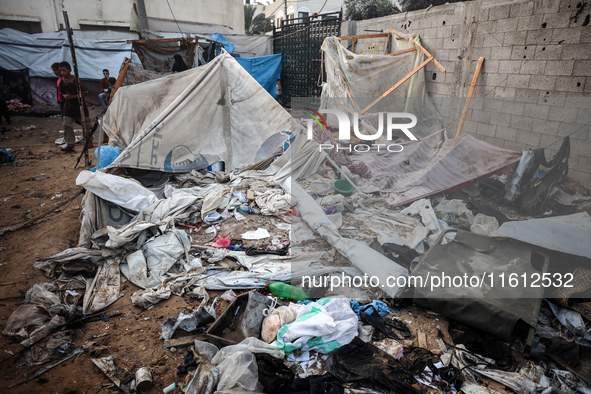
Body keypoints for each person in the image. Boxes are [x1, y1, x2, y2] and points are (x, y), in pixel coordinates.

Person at [59, 61, 90, 152]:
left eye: (64, 70)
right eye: (61, 71)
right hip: (68, 107)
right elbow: (62, 93)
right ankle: (70, 144)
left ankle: (89, 142)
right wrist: (65, 97)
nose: (62, 73)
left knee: (86, 125)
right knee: (66, 125)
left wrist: (72, 96)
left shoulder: (77, 80)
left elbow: (84, 93)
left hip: (79, 106)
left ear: (70, 70)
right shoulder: (62, 82)